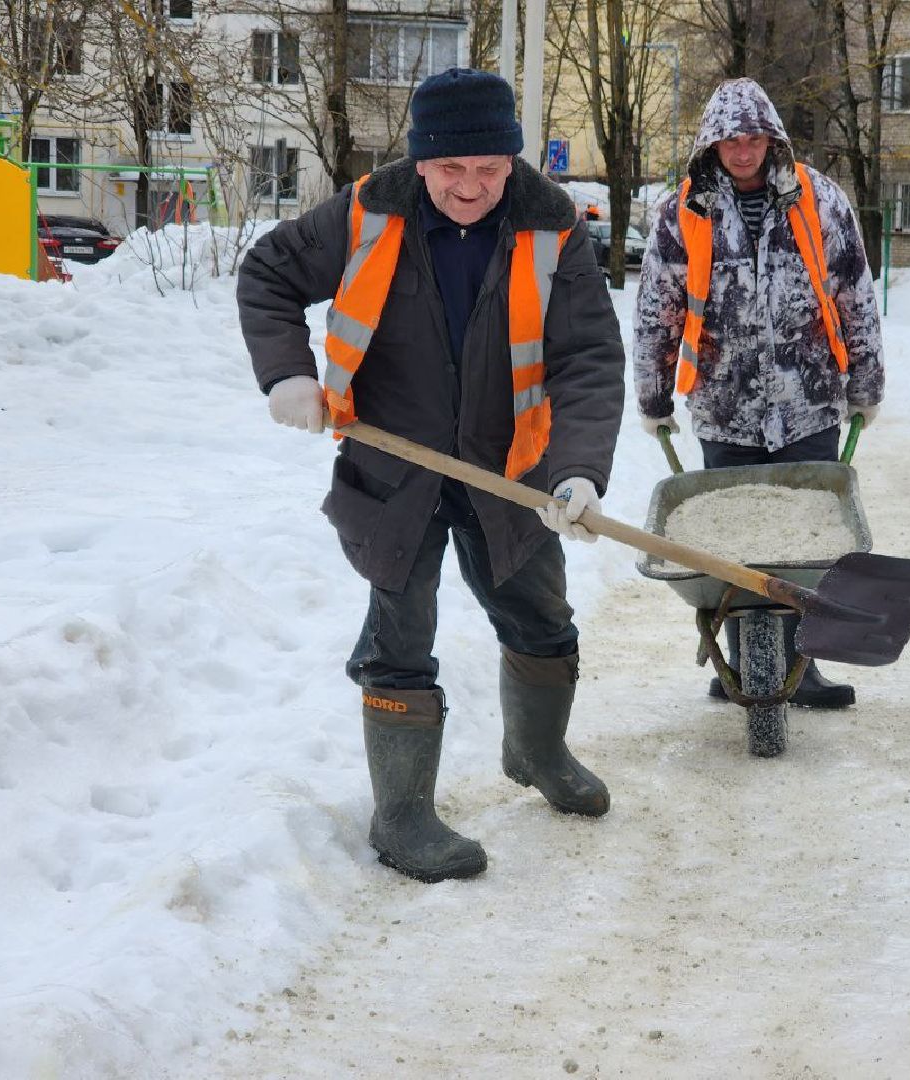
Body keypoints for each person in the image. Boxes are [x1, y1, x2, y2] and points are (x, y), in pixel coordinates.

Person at [237, 68, 626, 884]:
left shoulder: (553, 226)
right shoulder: (365, 214)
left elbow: (590, 357)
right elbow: (268, 274)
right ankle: (404, 813)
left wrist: (581, 470)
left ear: (511, 162)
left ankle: (537, 751)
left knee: (542, 616)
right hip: (393, 468)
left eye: (490, 169)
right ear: (420, 162)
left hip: (509, 470)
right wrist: (286, 375)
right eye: (452, 169)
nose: (471, 188)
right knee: (400, 636)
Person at [634, 77, 884, 710]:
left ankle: (806, 666)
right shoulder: (681, 211)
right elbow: (657, 311)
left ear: (772, 139)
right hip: (724, 408)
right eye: (729, 139)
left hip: (809, 402)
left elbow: (855, 292)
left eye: (753, 138)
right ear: (710, 143)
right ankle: (742, 661)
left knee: (812, 542)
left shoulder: (820, 199)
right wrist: (654, 397)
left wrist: (866, 382)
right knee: (734, 545)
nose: (742, 151)